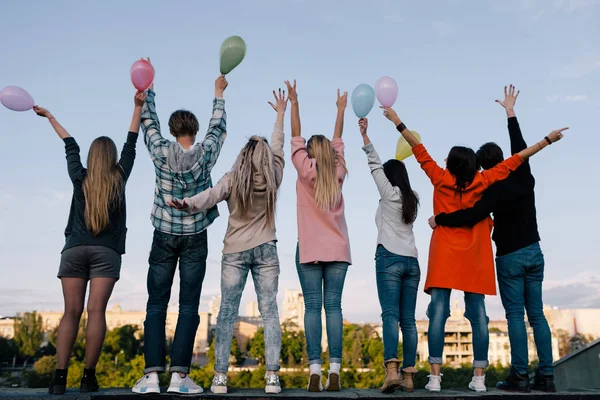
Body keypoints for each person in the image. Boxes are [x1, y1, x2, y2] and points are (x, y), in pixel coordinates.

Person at [380, 104, 565, 393]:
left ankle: (435, 377)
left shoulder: (439, 178)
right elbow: (518, 158)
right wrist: (547, 140)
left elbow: (418, 149)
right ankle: (479, 378)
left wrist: (397, 121)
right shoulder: (484, 179)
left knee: (438, 313)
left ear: (451, 164)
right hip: (476, 253)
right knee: (478, 314)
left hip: (444, 252)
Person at [430, 85, 563, 393]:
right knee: (538, 315)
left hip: (510, 257)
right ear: (505, 158)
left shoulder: (491, 190)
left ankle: (520, 376)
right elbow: (522, 146)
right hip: (535, 250)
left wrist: (440, 219)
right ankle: (547, 376)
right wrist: (510, 112)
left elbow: (468, 216)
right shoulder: (524, 174)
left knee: (515, 315)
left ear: (482, 166)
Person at [168, 89, 288, 395]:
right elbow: (278, 147)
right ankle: (272, 377)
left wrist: (187, 203)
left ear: (243, 157)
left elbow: (209, 197)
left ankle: (219, 377)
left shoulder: (233, 177)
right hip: (266, 250)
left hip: (234, 252)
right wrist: (280, 115)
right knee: (270, 312)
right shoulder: (274, 176)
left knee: (227, 312)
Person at [36, 91, 145, 395]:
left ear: (90, 159)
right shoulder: (120, 177)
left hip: (74, 250)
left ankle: (58, 379)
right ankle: (88, 378)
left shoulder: (77, 176)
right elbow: (131, 143)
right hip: (105, 254)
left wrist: (51, 117)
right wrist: (137, 107)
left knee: (71, 313)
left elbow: (69, 144)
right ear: (111, 159)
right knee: (96, 313)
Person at [132, 59, 228, 395]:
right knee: (188, 305)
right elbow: (219, 129)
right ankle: (180, 377)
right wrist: (218, 94)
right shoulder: (204, 154)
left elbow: (148, 122)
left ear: (173, 130)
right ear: (194, 131)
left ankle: (152, 376)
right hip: (195, 237)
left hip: (164, 234)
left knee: (156, 303)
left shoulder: (160, 151)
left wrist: (150, 88)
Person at [288, 80, 350, 392]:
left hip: (309, 250)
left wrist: (294, 104)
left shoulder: (304, 169)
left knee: (312, 307)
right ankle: (335, 369)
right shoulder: (338, 171)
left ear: (310, 152)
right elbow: (338, 141)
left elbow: (295, 139)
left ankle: (315, 369)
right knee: (334, 308)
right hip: (338, 250)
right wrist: (341, 110)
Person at [358, 117, 420, 393]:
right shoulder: (412, 198)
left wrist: (365, 136)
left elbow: (373, 165)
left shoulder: (389, 193)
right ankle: (408, 377)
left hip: (390, 259)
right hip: (412, 262)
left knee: (389, 316)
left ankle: (391, 371)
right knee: (408, 320)